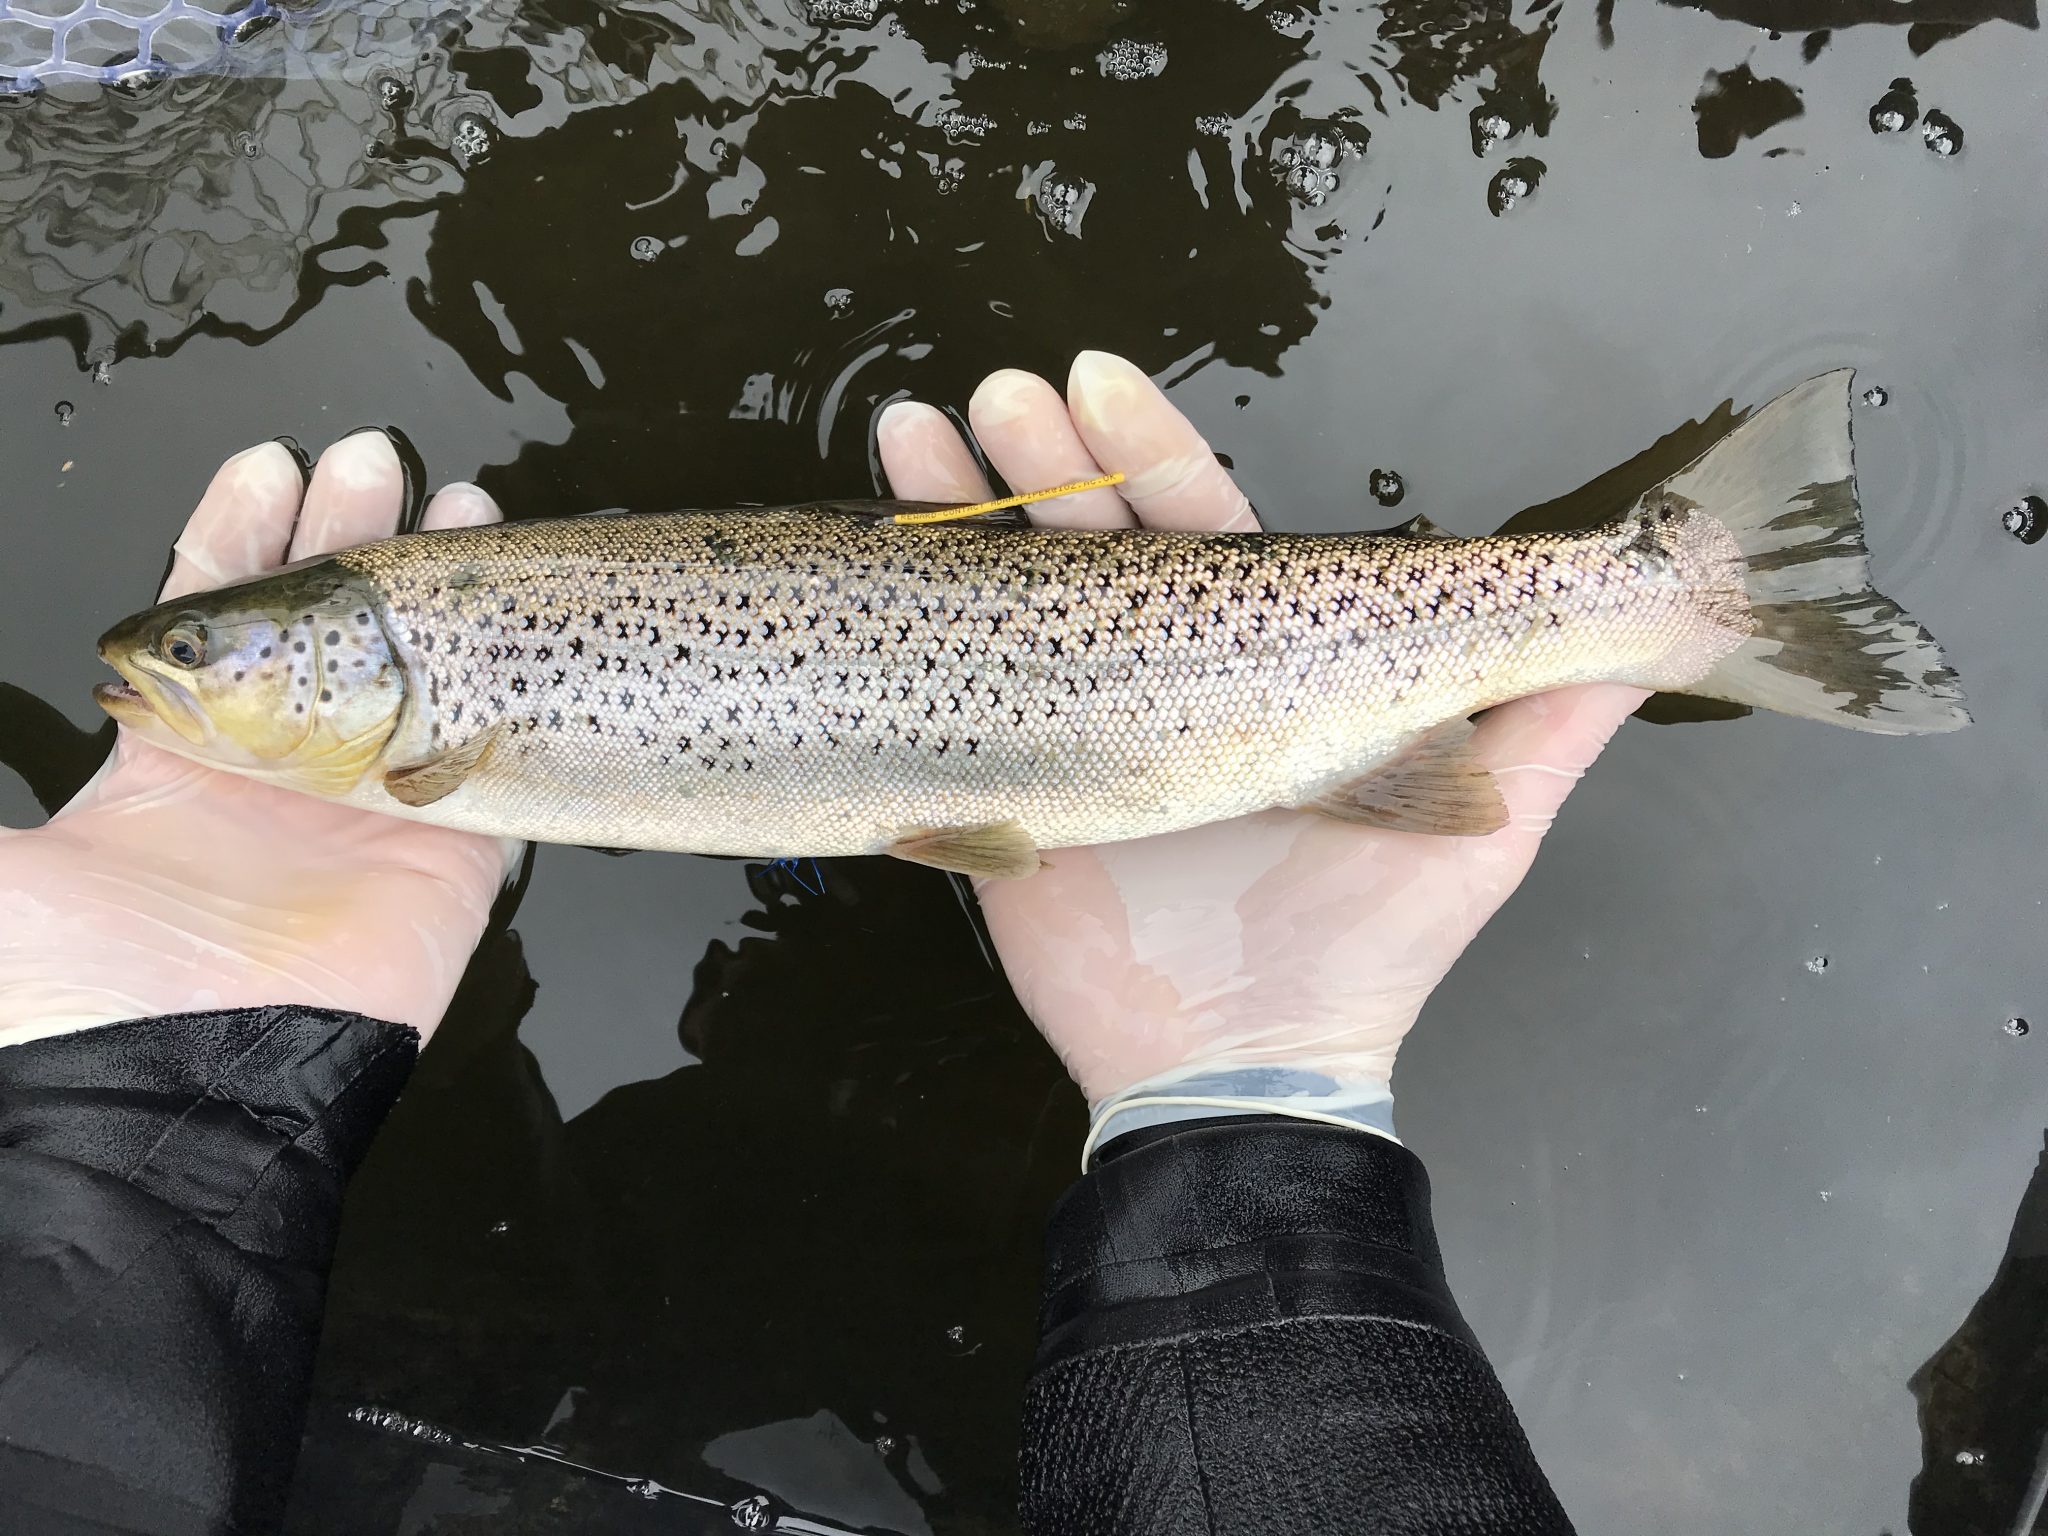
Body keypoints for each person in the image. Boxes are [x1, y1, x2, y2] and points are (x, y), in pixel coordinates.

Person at [0, 351, 1645, 1535]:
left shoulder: (437, 706)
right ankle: (1654, 586)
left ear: (349, 656)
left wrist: (132, 1120)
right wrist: (1252, 1095)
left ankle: (1651, 588)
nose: (161, 669)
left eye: (204, 652)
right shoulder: (417, 680)